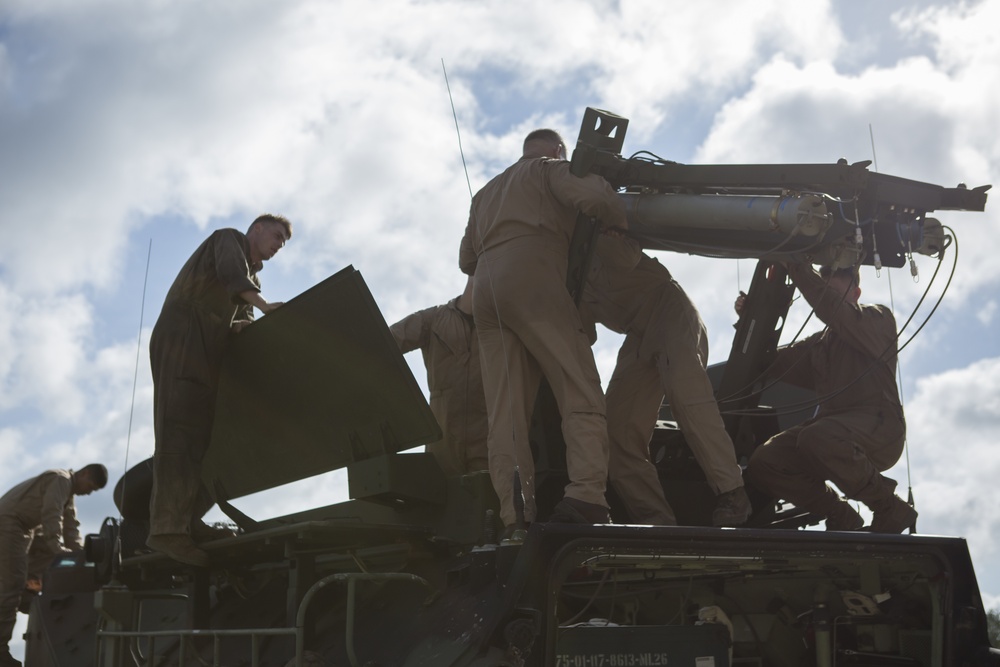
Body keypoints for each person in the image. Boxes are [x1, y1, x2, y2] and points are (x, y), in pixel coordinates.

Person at [458, 128, 628, 531]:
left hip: (486, 290)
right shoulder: (550, 168)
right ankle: (587, 496)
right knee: (579, 387)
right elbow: (597, 198)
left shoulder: (484, 192)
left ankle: (516, 514)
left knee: (507, 414)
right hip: (532, 273)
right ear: (557, 149)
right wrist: (619, 221)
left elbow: (466, 258)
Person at [147, 214, 292, 567]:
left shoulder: (251, 279)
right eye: (276, 236)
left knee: (203, 438)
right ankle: (167, 532)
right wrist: (262, 305)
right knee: (179, 430)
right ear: (256, 229)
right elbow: (231, 274)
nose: (278, 246)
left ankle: (186, 522)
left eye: (283, 244)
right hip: (185, 336)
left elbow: (242, 324)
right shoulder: (228, 240)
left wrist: (248, 322)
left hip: (207, 347)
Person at [581, 238, 752, 526]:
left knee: (688, 399)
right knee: (615, 432)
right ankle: (657, 523)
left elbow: (627, 253)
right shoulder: (552, 269)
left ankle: (732, 492)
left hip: (668, 307)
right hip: (637, 332)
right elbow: (582, 333)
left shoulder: (591, 222)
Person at [742, 262, 915, 533]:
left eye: (831, 292)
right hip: (830, 433)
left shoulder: (877, 320)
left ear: (856, 294)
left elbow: (836, 312)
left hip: (879, 428)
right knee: (766, 461)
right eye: (822, 291)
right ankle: (838, 513)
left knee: (817, 436)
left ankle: (889, 507)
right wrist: (751, 319)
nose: (825, 298)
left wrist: (796, 263)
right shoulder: (821, 343)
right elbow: (771, 364)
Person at [0, 464, 107, 667]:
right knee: (11, 587)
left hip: (22, 528)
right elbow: (52, 513)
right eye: (90, 487)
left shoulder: (68, 494)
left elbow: (71, 528)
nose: (89, 493)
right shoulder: (61, 480)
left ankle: (28, 598)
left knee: (25, 582)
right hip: (11, 524)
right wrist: (57, 548)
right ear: (84, 474)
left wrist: (84, 557)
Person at [389, 277, 489, 476]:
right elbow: (381, 342)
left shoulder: (502, 326)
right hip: (442, 454)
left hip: (489, 452)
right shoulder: (432, 320)